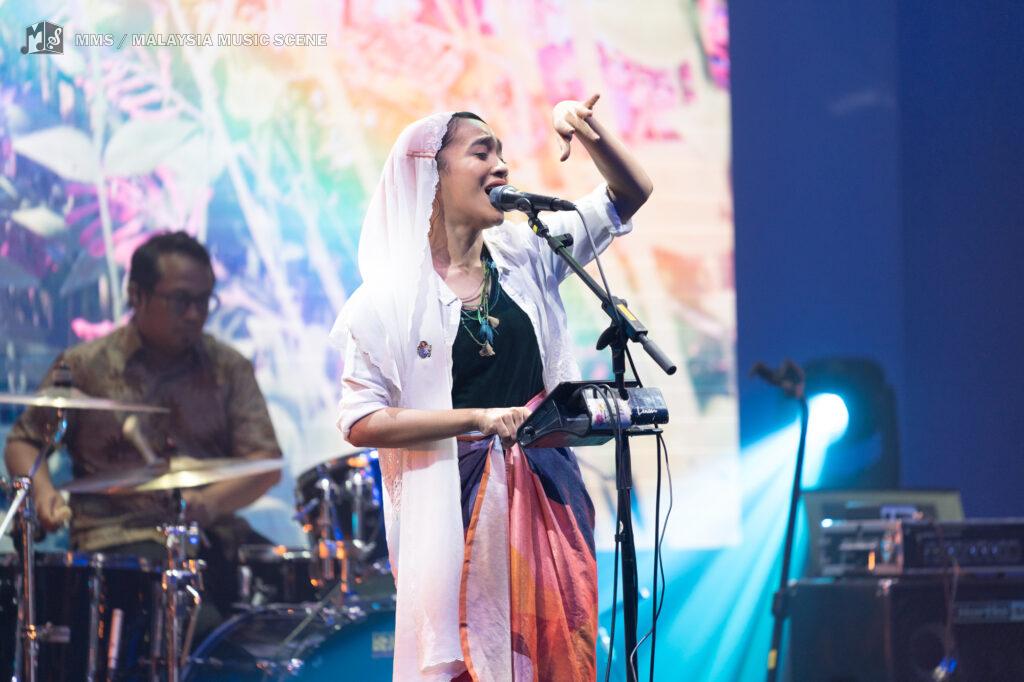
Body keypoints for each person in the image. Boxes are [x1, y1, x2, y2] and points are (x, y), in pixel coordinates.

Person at [331, 94, 652, 681]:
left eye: (502, 153)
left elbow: (628, 194)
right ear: (432, 175)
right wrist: (475, 419)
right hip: (452, 509)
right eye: (482, 154)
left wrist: (587, 129)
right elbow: (359, 420)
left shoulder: (528, 255)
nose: (502, 166)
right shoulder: (386, 301)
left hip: (546, 494)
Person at [3, 231, 282, 618]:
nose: (195, 314)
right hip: (119, 539)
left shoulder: (229, 367)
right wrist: (44, 493)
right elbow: (24, 441)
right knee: (195, 623)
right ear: (137, 295)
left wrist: (210, 503)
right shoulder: (84, 366)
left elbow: (264, 463)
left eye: (204, 301)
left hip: (211, 534)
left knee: (303, 604)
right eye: (181, 300)